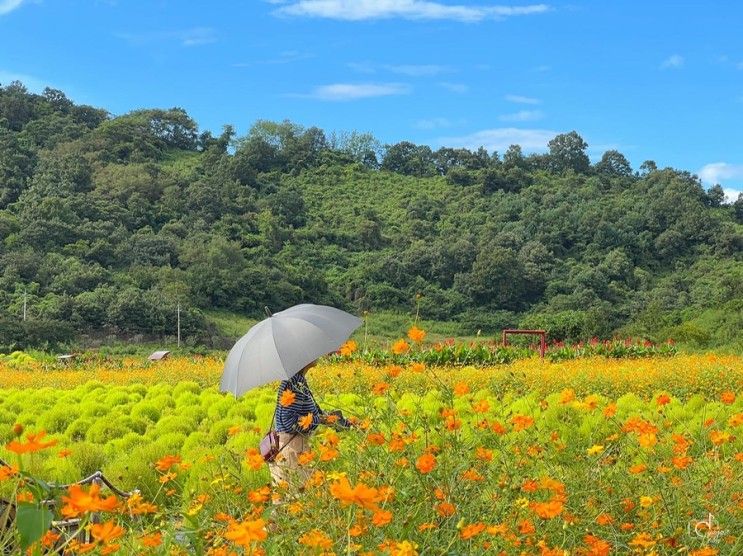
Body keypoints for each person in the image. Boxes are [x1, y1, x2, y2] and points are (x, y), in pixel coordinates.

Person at [269, 360, 351, 492]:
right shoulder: (293, 383)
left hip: (295, 447)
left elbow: (310, 414)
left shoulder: (298, 380)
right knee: (300, 498)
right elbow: (289, 422)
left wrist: (338, 420)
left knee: (300, 496)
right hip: (292, 450)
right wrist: (319, 419)